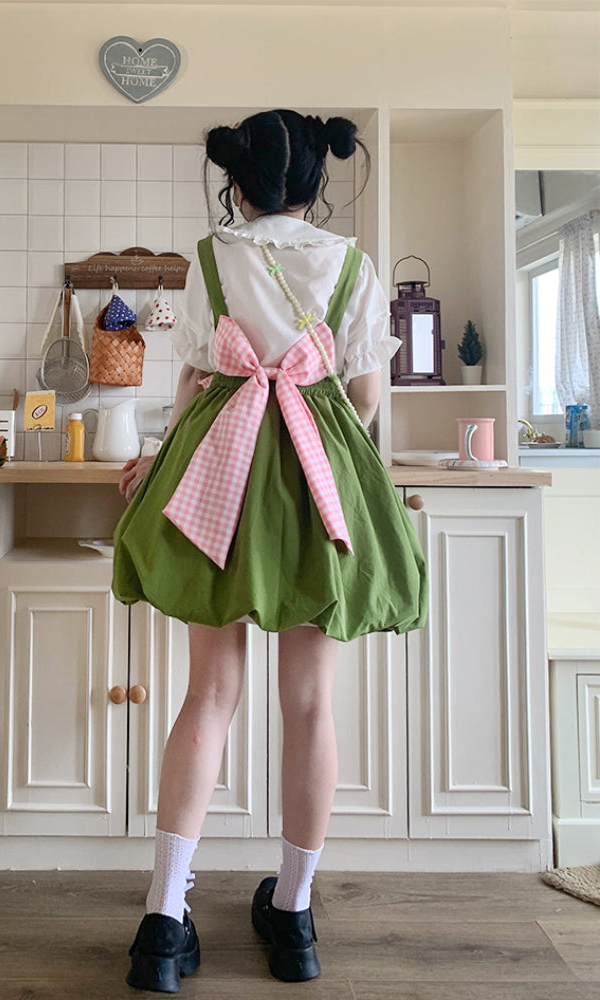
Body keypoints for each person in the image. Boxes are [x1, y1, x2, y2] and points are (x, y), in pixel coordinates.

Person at [112, 109, 427, 993]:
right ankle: (292, 917)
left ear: (237, 184)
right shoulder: (352, 264)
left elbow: (192, 383)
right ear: (316, 184)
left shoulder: (212, 258)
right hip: (315, 485)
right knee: (310, 704)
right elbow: (366, 395)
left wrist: (158, 463)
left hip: (219, 475)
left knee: (207, 695)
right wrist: (317, 447)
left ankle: (163, 923)